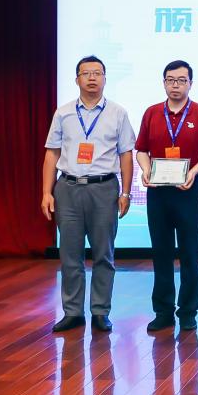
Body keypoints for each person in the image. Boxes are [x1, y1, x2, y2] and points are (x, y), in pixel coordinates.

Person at [41, 55, 136, 333]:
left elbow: (126, 154)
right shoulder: (64, 113)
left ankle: (100, 312)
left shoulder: (118, 113)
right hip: (68, 188)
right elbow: (52, 154)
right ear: (77, 79)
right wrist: (47, 192)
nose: (92, 78)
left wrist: (126, 192)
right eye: (86, 73)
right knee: (70, 254)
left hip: (103, 188)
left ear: (105, 78)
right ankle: (72, 312)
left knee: (104, 254)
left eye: (97, 73)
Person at [134, 60, 198, 332]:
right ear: (164, 83)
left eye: (181, 80)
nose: (175, 85)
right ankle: (163, 311)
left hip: (188, 191)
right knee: (161, 252)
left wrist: (193, 172)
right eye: (170, 80)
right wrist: (146, 170)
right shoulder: (152, 113)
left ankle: (188, 311)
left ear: (190, 83)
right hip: (158, 193)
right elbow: (141, 149)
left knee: (189, 253)